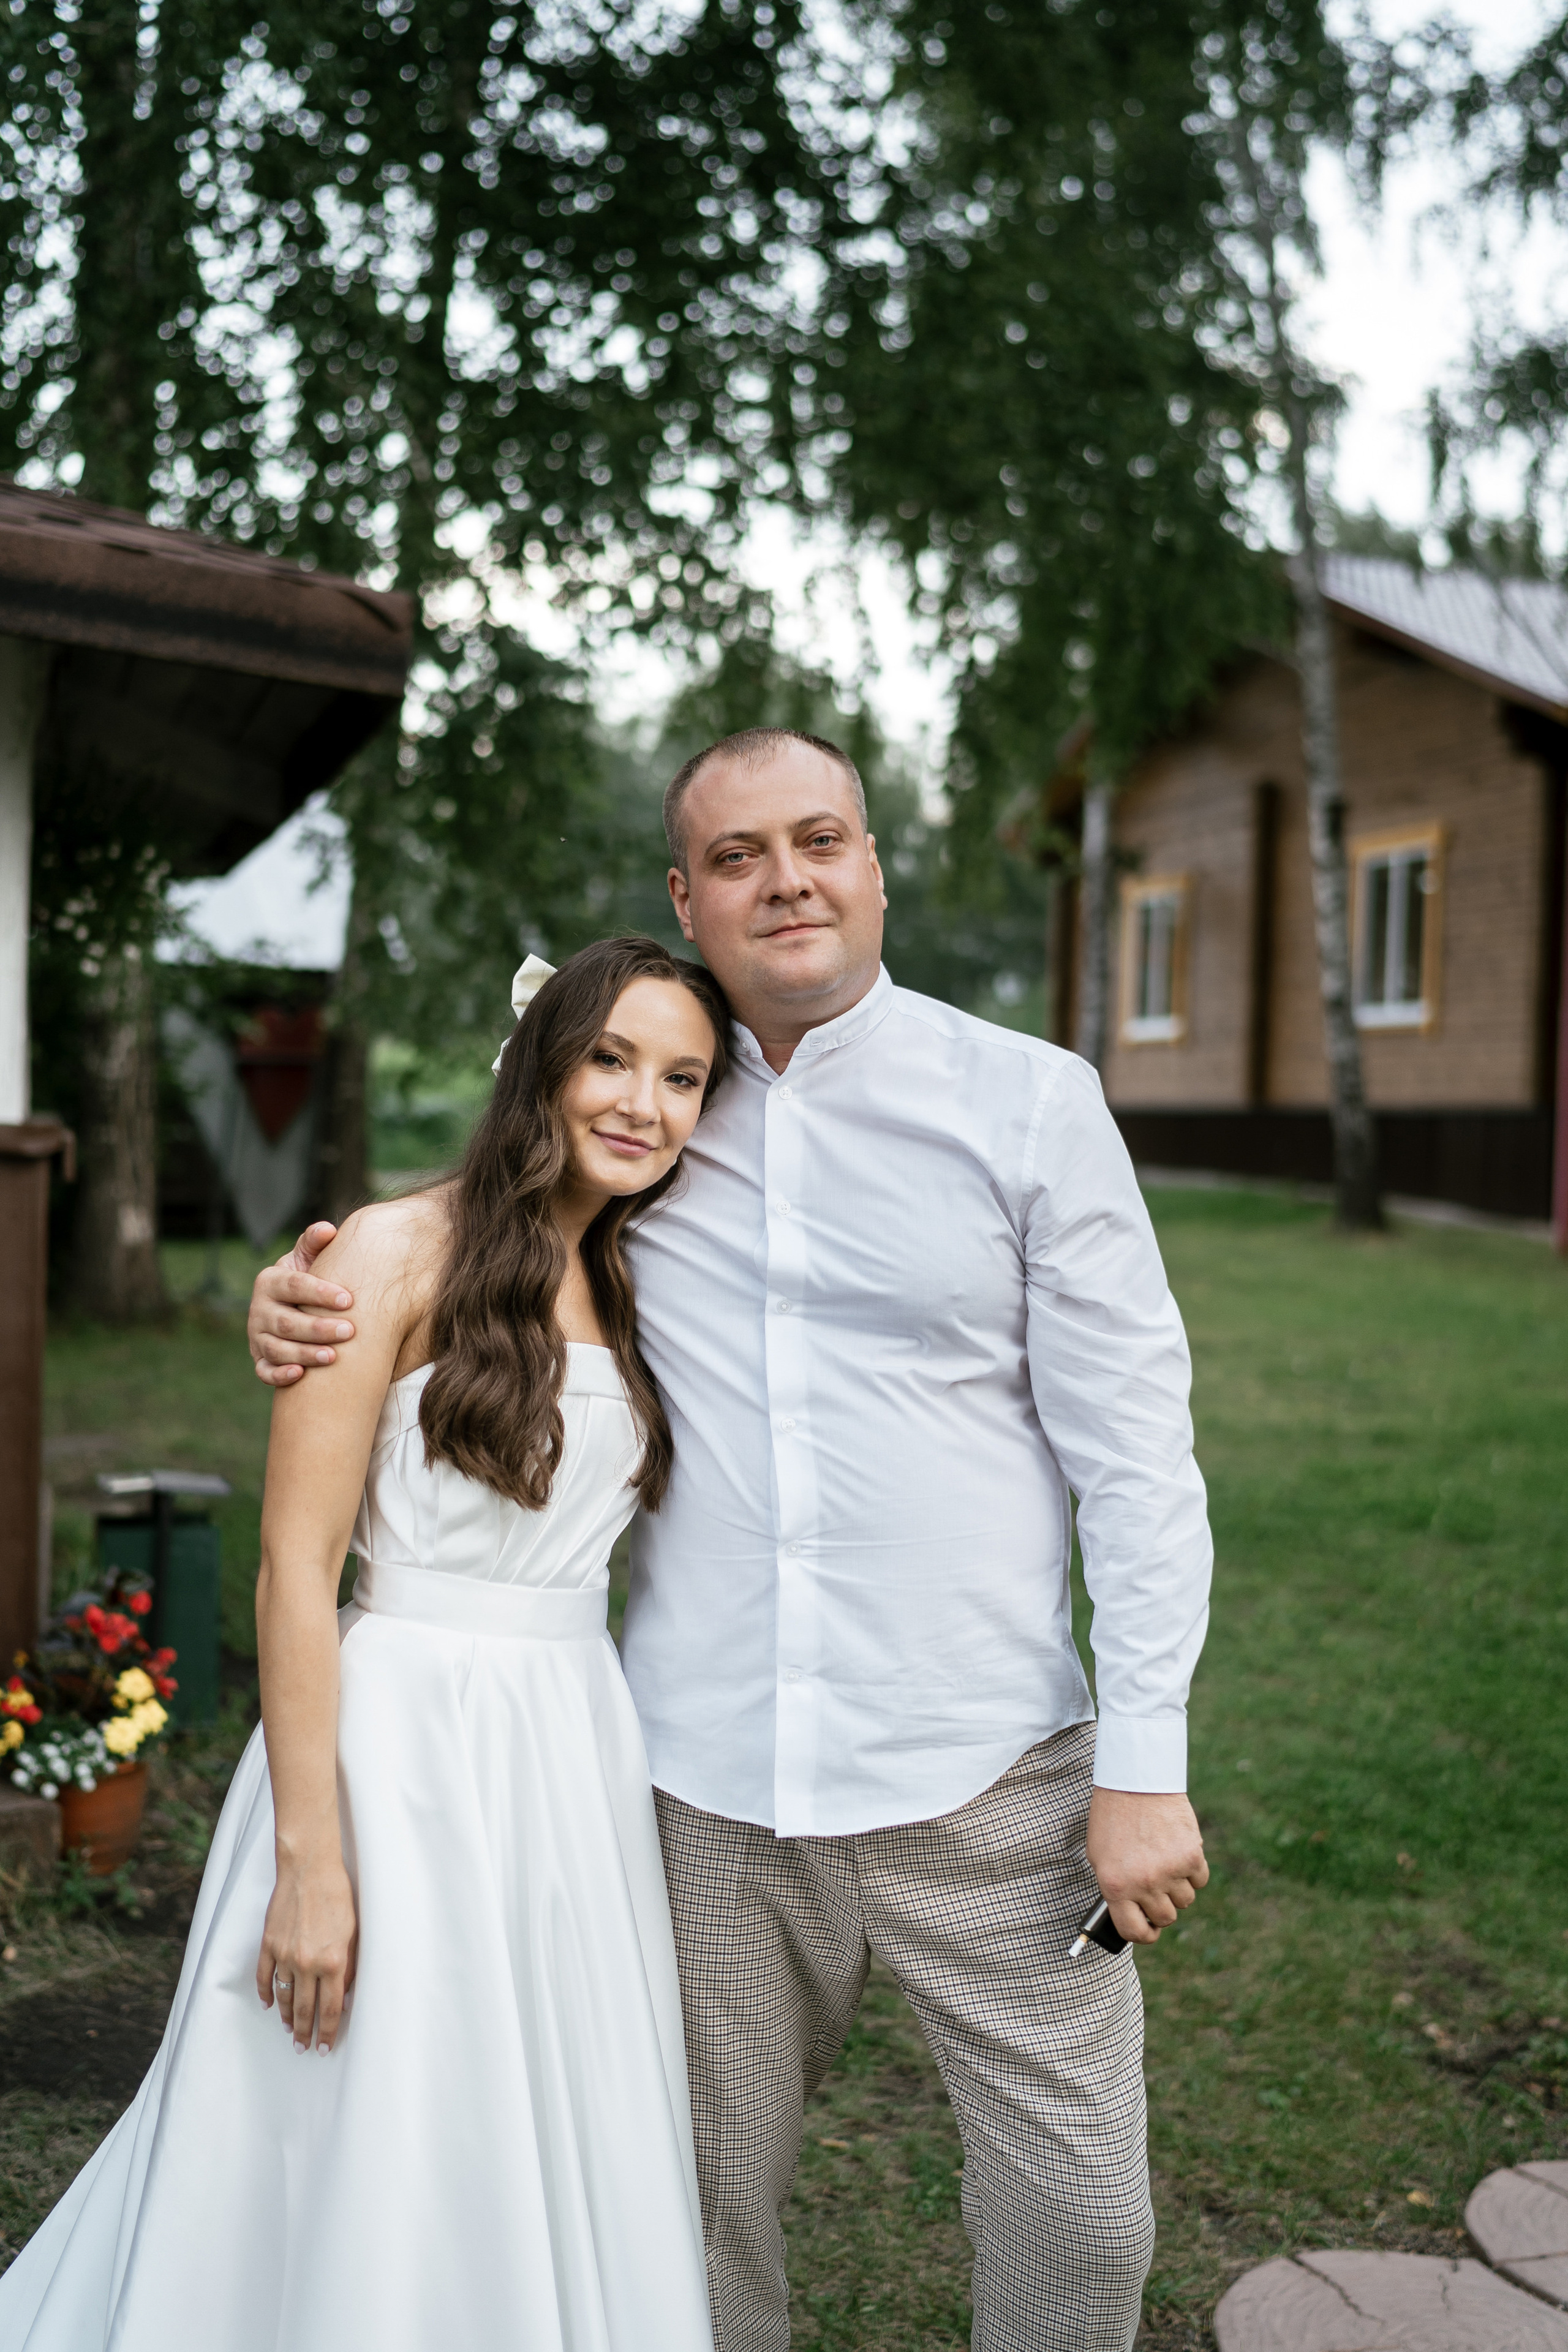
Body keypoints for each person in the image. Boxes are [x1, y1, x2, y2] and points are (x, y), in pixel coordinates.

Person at [248, 727, 1213, 2352]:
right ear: (687, 898)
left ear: (874, 865)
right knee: (688, 2209)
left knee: (1088, 2218)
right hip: (700, 1791)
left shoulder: (1032, 1107)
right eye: (741, 857)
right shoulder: (641, 1133)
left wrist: (1149, 1755)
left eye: (819, 839)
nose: (788, 881)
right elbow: (455, 1257)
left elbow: (1138, 1462)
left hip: (991, 1775)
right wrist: (302, 1304)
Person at [0, 935, 728, 2352]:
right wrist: (311, 1861)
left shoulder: (640, 1272)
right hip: (402, 1741)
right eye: (611, 1059)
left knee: (538, 2109)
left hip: (568, 1746)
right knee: (370, 2106)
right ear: (543, 1063)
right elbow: (291, 1566)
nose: (644, 1102)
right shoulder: (389, 1252)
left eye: (684, 1077)